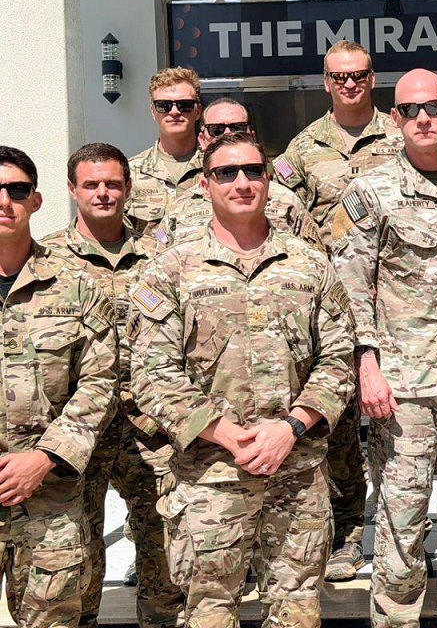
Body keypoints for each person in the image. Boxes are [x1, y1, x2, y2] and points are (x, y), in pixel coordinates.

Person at [129, 132, 356, 628]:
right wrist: (229, 435)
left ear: (269, 180)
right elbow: (151, 373)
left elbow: (339, 358)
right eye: (226, 173)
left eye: (253, 170)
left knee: (298, 614)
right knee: (209, 614)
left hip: (296, 473)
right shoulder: (171, 270)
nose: (242, 182)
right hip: (211, 477)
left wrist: (290, 428)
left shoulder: (310, 265)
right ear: (205, 184)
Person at [331, 68, 437, 628]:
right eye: (409, 110)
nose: (422, 118)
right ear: (395, 118)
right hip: (404, 392)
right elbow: (351, 285)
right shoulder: (371, 192)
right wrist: (367, 365)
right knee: (401, 525)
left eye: (432, 107)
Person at [39, 143, 181, 628]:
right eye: (92, 184)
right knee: (75, 560)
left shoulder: (160, 258)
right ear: (72, 189)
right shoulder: (46, 261)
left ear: (128, 188)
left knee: (166, 554)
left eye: (113, 184)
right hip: (78, 432)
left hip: (151, 428)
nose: (103, 193)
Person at [276, 40, 401, 581]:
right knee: (339, 423)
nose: (350, 84)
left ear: (373, 78)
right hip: (329, 306)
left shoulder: (400, 135)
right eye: (339, 76)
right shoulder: (304, 148)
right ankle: (348, 531)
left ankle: (403, 530)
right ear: (326, 82)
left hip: (395, 301)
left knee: (402, 420)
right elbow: (281, 215)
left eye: (359, 74)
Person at [0, 145, 118, 628]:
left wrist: (45, 457)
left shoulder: (76, 285)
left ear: (36, 200)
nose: (4, 201)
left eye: (17, 190)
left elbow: (100, 381)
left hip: (49, 496)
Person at [154, 98, 322, 250]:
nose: (228, 134)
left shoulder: (287, 202)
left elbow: (314, 259)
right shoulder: (179, 209)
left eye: (238, 128)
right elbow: (160, 261)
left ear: (252, 136)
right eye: (216, 129)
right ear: (202, 140)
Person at [126, 67, 205, 235]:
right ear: (153, 112)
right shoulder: (130, 172)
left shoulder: (218, 169)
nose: (174, 112)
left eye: (185, 105)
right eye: (164, 105)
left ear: (198, 111)